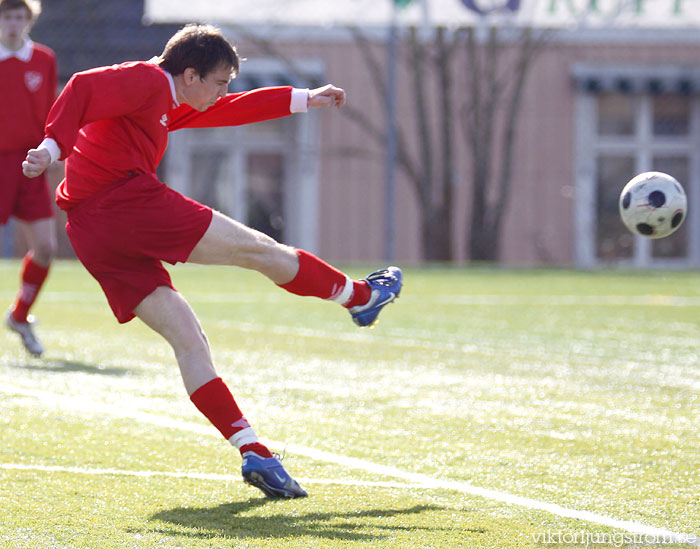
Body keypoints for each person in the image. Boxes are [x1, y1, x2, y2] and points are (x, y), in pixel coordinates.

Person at [22, 23, 402, 499]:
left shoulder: (170, 100)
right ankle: (360, 297)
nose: (224, 90)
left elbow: (234, 109)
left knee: (189, 338)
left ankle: (253, 450)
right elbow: (82, 86)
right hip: (123, 203)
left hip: (94, 232)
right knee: (262, 250)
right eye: (219, 81)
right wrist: (53, 146)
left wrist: (306, 98)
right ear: (190, 75)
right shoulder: (146, 81)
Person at [1, 0, 57, 357]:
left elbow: (51, 111)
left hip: (29, 164)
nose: (13, 23)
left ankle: (20, 316)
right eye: (7, 16)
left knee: (47, 249)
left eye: (20, 17)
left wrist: (51, 151)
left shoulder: (44, 59)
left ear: (29, 20)